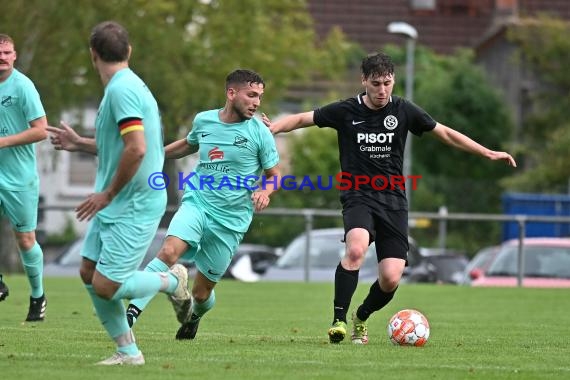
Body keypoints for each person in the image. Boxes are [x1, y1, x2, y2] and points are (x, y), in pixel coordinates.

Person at [268, 52, 516, 344]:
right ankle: (338, 320)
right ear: (364, 81)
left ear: (393, 80)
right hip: (357, 194)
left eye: (387, 83)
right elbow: (300, 118)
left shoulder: (403, 110)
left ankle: (361, 316)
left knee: (391, 278)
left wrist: (486, 152)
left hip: (393, 201)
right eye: (376, 84)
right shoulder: (346, 111)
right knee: (356, 250)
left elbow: (445, 133)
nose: (383, 90)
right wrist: (271, 128)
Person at [46, 21, 190, 365]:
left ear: (92, 54)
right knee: (88, 272)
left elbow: (137, 149)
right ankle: (128, 352)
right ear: (129, 51)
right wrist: (80, 143)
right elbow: (121, 146)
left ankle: (170, 281)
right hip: (118, 200)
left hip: (133, 202)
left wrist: (108, 193)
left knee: (107, 285)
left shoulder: (122, 90)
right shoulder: (125, 86)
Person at [125, 69, 281, 340]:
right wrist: (154, 155)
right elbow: (188, 144)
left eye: (260, 97)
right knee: (168, 252)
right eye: (251, 95)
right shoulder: (204, 120)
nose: (256, 102)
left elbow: (274, 176)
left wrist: (265, 192)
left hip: (231, 220)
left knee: (201, 293)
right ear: (232, 93)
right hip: (198, 202)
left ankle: (193, 317)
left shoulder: (260, 133)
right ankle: (130, 315)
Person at [0, 33, 48, 321]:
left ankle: (38, 296)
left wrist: (4, 141)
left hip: (19, 178)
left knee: (26, 240)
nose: (1, 58)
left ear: (14, 56)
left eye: (6, 53)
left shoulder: (23, 87)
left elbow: (42, 129)